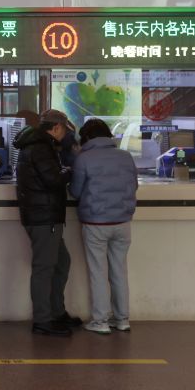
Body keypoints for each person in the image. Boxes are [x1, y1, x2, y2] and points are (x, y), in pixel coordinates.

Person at [13, 109, 80, 337]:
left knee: (62, 262)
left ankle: (56, 312)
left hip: (43, 215)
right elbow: (53, 180)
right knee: (44, 268)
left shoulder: (36, 144)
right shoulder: (41, 148)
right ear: (57, 127)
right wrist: (70, 171)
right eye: (65, 131)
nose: (66, 136)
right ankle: (43, 320)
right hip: (44, 217)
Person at [70, 118, 138, 335]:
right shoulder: (125, 156)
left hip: (95, 223)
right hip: (123, 222)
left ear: (87, 138)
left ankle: (100, 321)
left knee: (98, 272)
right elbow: (134, 185)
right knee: (119, 271)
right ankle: (122, 319)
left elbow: (76, 191)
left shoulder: (83, 159)